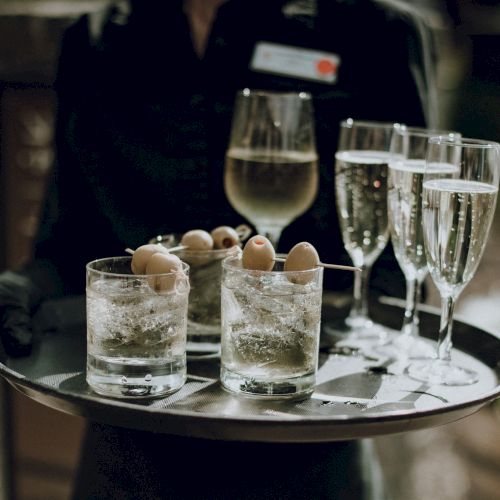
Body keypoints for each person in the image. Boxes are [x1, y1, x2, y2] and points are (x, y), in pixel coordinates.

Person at [0, 1, 427, 498]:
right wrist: (21, 287)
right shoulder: (95, 41)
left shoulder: (376, 34)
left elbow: (400, 267)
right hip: (131, 450)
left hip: (306, 455)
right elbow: (69, 248)